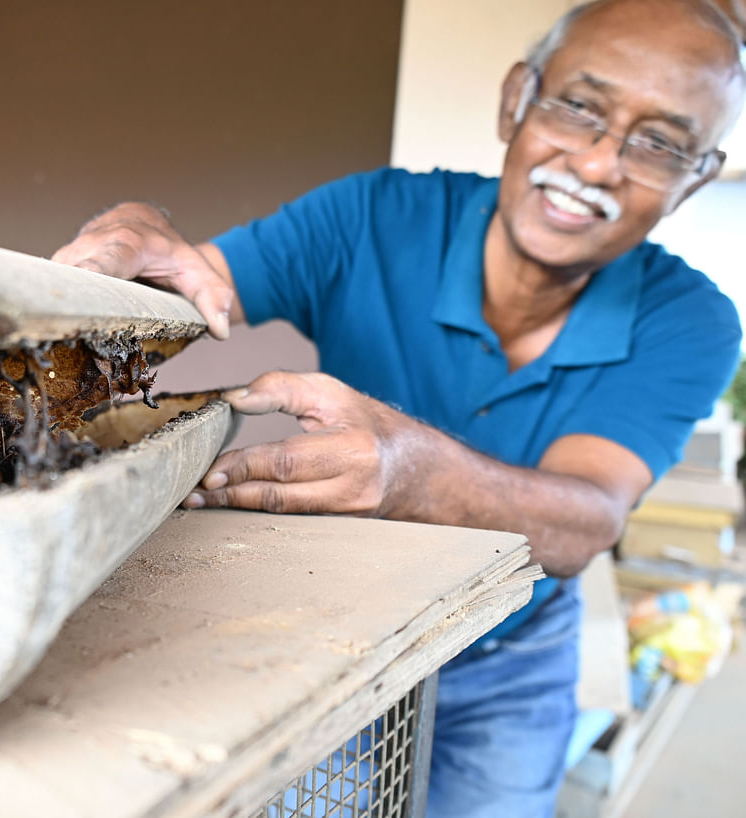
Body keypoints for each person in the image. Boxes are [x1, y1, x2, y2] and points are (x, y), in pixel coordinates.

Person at [51, 0, 746, 814]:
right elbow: (193, 280)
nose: (597, 164)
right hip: (345, 637)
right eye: (579, 106)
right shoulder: (372, 215)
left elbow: (587, 520)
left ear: (696, 177)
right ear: (516, 98)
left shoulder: (693, 319)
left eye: (660, 144)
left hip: (514, 658)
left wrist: (410, 468)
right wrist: (140, 234)